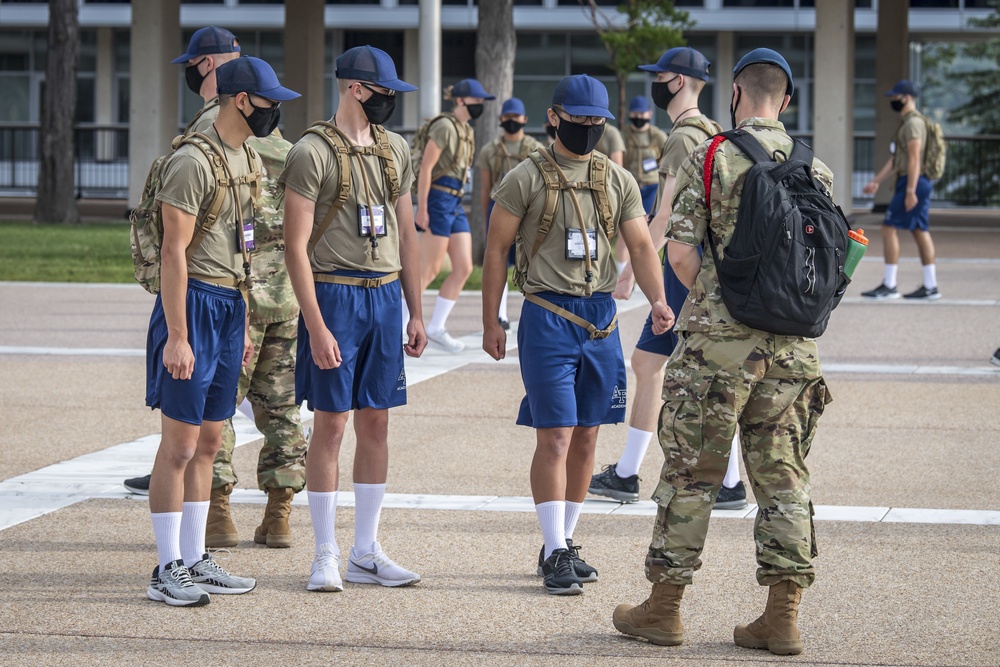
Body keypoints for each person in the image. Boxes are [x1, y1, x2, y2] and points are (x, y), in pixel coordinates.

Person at [612, 49, 832, 655]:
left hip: (718, 347)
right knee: (783, 477)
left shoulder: (716, 155)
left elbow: (679, 253)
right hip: (792, 353)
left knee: (692, 474)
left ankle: (664, 610)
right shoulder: (818, 170)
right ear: (786, 101)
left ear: (735, 94)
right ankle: (781, 617)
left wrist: (715, 295)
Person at [483, 74, 674, 596]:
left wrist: (657, 300)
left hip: (601, 319)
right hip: (547, 314)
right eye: (579, 119)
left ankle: (561, 543)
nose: (587, 129)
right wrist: (492, 320)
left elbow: (639, 247)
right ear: (554, 116)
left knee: (589, 434)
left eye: (596, 122)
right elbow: (496, 251)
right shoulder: (524, 177)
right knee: (557, 435)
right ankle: (555, 551)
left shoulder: (617, 180)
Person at [126, 26, 309, 551]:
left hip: (236, 303)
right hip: (203, 302)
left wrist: (244, 314)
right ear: (244, 99)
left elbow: (246, 245)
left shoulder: (249, 157)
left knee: (210, 438)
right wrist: (178, 335)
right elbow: (172, 252)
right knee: (184, 444)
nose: (275, 111)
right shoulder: (195, 158)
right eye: (269, 101)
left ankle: (201, 546)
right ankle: (172, 563)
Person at [282, 45, 426, 592]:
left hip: (385, 297)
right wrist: (316, 326)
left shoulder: (395, 151)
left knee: (377, 422)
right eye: (384, 92)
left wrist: (416, 310)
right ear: (355, 89)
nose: (391, 102)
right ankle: (325, 551)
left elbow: (408, 233)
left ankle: (366, 551)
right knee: (332, 422)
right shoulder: (311, 151)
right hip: (335, 295)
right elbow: (296, 247)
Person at [589, 47, 747, 512]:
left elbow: (664, 215)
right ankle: (629, 472)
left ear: (678, 81)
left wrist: (630, 272)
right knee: (653, 365)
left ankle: (720, 481)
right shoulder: (714, 131)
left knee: (690, 373)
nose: (654, 83)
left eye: (659, 76)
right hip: (704, 265)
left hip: (683, 268)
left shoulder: (682, 138)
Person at [412, 78, 495, 353]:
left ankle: (436, 327)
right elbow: (426, 168)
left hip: (456, 200)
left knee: (464, 267)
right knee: (429, 269)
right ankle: (400, 325)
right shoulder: (445, 127)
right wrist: (422, 207)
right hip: (438, 198)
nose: (480, 105)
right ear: (461, 100)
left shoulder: (465, 130)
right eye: (477, 101)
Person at [861, 80, 940, 301]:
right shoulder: (908, 123)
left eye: (895, 97)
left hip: (913, 182)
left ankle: (890, 285)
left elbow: (914, 159)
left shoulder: (913, 124)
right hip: (913, 181)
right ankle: (931, 286)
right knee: (919, 230)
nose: (892, 100)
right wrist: (876, 181)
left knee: (889, 228)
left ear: (906, 97)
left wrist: (910, 190)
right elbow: (897, 160)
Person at [477, 97, 542, 329]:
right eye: (507, 117)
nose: (512, 121)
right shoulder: (489, 150)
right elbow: (485, 189)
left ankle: (533, 309)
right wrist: (486, 221)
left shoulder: (536, 148)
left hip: (529, 209)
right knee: (498, 260)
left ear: (524, 119)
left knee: (530, 261)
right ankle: (500, 314)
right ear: (500, 119)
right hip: (500, 207)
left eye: (516, 117)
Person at [621, 96, 667, 221]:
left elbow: (668, 158)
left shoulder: (657, 135)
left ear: (649, 114)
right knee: (628, 220)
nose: (639, 117)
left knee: (648, 220)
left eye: (642, 113)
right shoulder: (623, 135)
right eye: (635, 113)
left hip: (652, 185)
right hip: (631, 184)